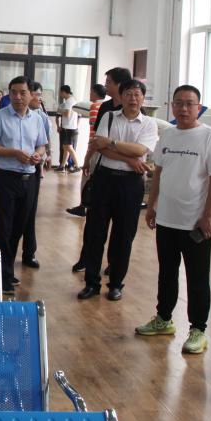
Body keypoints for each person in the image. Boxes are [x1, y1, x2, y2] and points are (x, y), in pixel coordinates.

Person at [137, 85, 211, 355]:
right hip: (166, 219)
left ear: (199, 107)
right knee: (166, 273)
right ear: (172, 106)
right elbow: (159, 173)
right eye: (179, 103)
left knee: (197, 278)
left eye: (189, 103)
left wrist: (208, 216)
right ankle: (164, 319)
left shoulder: (210, 136)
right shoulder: (169, 134)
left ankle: (198, 330)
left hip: (195, 223)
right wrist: (152, 206)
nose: (184, 108)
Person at [76, 79, 157, 301]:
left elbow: (140, 150)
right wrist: (129, 159)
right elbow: (100, 147)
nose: (133, 98)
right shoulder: (109, 117)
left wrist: (111, 143)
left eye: (137, 94)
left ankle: (116, 284)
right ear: (121, 97)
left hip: (131, 184)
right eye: (128, 94)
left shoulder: (149, 124)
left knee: (123, 236)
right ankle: (91, 283)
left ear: (143, 98)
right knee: (95, 233)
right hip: (105, 180)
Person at [0, 76, 49, 295]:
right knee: (3, 228)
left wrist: (38, 155)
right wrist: (13, 153)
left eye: (22, 92)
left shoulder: (37, 119)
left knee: (19, 227)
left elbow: (41, 145)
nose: (18, 97)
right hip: (5, 178)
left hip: (29, 179)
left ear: (31, 94)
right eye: (13, 92)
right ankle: (1, 276)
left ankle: (8, 270)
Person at [68, 73, 128, 220]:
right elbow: (97, 137)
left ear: (120, 84)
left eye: (109, 82)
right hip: (101, 152)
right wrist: (89, 156)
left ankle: (87, 206)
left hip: (122, 159)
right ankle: (87, 205)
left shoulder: (128, 109)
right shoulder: (105, 106)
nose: (105, 85)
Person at [21, 83, 53, 269]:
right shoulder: (9, 115)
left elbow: (45, 141)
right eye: (35, 94)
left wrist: (47, 156)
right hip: (14, 169)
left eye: (40, 94)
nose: (39, 98)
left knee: (31, 211)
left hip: (33, 167)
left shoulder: (42, 117)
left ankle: (29, 252)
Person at [55, 85, 80, 173]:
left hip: (68, 128)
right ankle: (62, 166)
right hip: (71, 128)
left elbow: (67, 114)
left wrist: (59, 110)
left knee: (69, 148)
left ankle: (77, 166)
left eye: (60, 92)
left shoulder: (69, 101)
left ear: (64, 92)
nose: (60, 94)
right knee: (66, 148)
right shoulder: (73, 100)